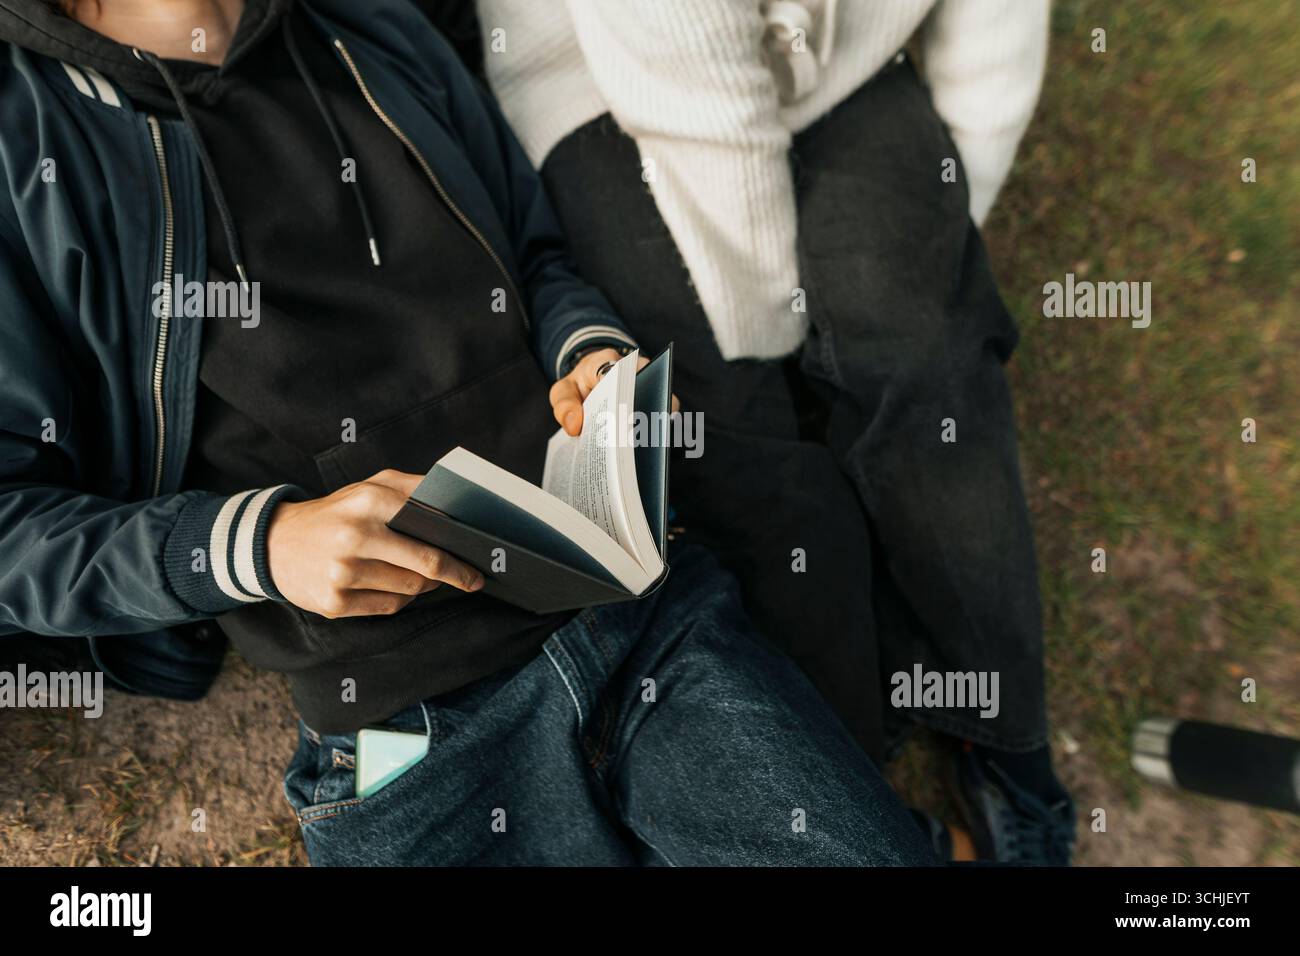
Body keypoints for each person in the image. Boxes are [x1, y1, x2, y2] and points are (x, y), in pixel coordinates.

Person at [0, 0, 936, 866]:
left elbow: (535, 255)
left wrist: (590, 353)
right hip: (401, 719)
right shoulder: (22, 140)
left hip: (639, 612)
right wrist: (260, 545)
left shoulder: (372, 24)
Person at [477, 0, 1076, 863]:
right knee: (721, 426)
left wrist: (946, 228)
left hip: (845, 61)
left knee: (933, 358)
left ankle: (1005, 732)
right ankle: (844, 802)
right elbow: (702, 97)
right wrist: (772, 339)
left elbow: (999, 22)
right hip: (596, 75)